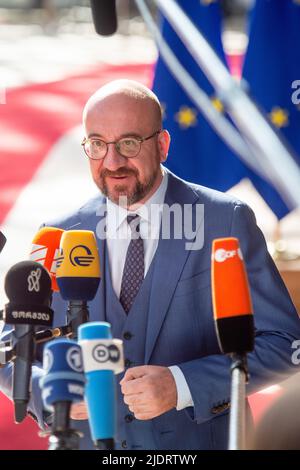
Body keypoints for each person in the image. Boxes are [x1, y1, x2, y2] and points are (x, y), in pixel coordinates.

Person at [1, 79, 300, 450]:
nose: (112, 162)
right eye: (97, 144)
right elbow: (10, 352)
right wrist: (50, 391)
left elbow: (288, 344)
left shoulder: (226, 221)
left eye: (128, 143)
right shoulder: (58, 234)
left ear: (162, 145)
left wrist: (183, 384)